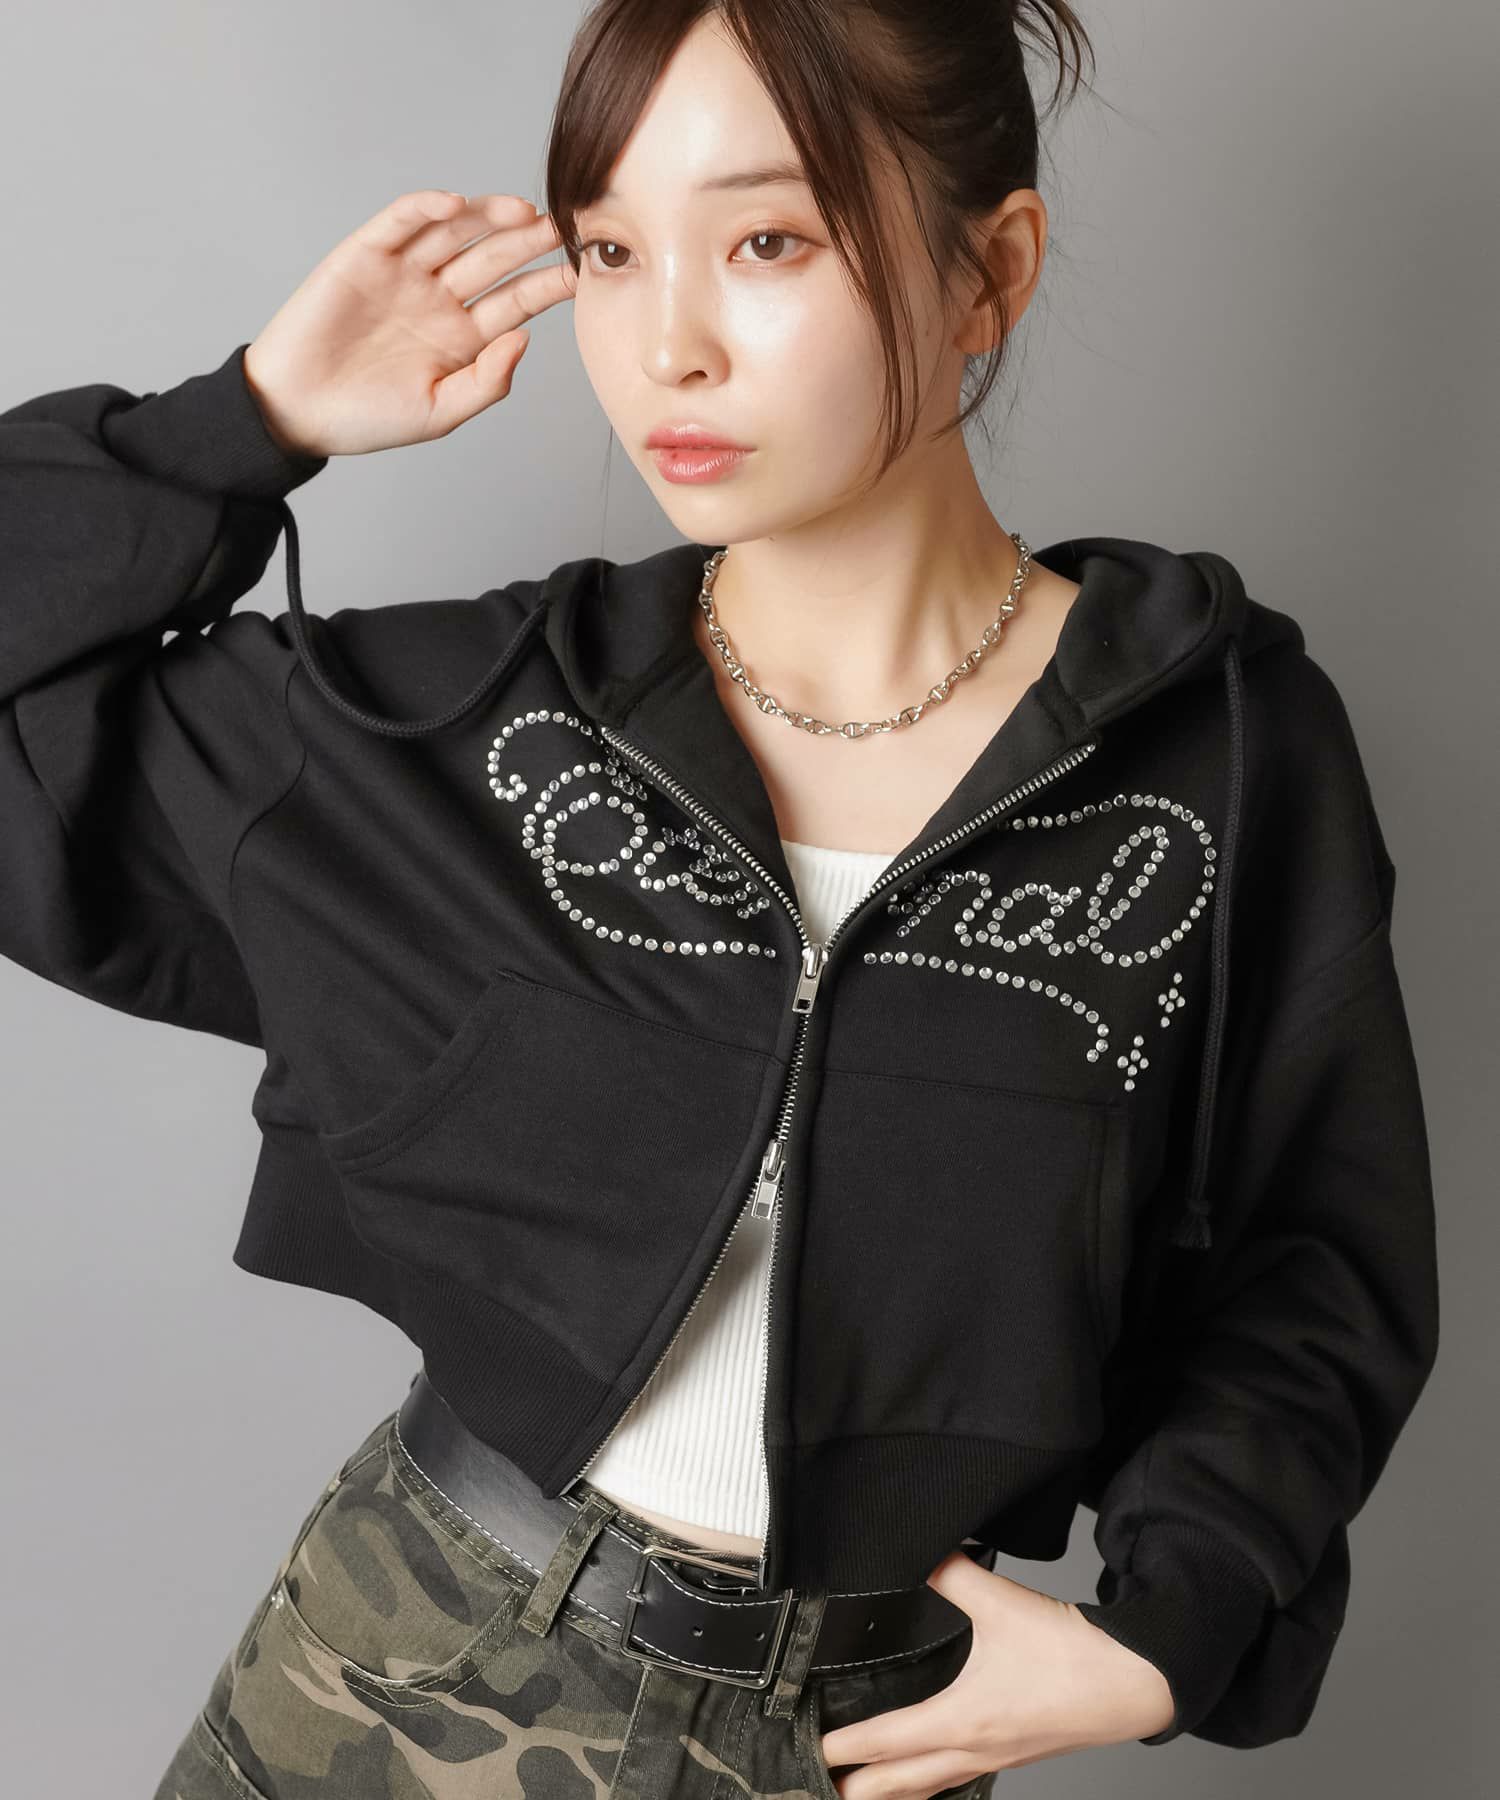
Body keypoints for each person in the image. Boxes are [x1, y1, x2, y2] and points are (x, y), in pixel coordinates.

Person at [0, 3, 1439, 1797]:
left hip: (860, 1734)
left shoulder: (1215, 754)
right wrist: (246, 419)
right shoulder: (471, 726)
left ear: (990, 270)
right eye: (610, 251)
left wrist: (1174, 1628)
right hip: (401, 1671)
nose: (665, 345)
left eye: (767, 242)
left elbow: (1317, 1253)